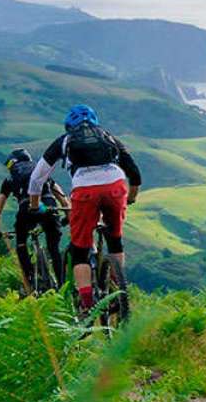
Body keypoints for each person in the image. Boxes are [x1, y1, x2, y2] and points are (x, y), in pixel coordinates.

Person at [26, 105, 141, 314]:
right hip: (116, 186)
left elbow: (37, 177)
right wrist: (131, 198)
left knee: (80, 248)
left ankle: (86, 304)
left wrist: (34, 205)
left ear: (69, 126)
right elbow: (134, 172)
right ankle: (118, 287)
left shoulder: (65, 141)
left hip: (85, 191)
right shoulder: (108, 137)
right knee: (115, 239)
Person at [0, 148, 68, 289]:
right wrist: (67, 216)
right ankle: (62, 286)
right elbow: (61, 196)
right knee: (54, 248)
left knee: (21, 243)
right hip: (49, 206)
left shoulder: (10, 178)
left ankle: (30, 281)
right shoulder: (40, 172)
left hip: (26, 209)